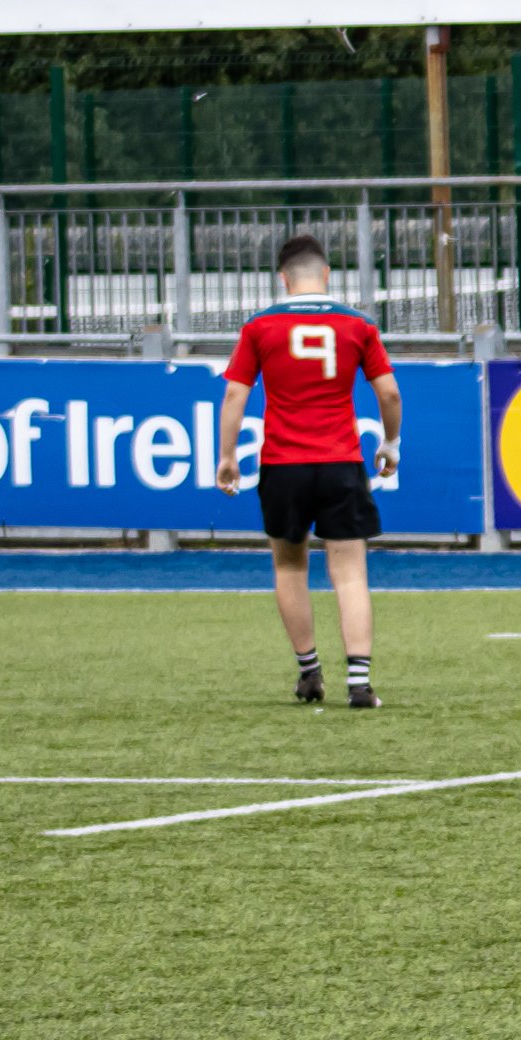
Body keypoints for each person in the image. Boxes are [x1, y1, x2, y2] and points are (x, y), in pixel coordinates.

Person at [215, 235, 402, 708]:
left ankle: (309, 674)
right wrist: (391, 442)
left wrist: (227, 455)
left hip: (284, 465)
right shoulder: (358, 325)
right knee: (350, 573)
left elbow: (235, 394)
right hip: (340, 461)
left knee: (289, 566)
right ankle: (359, 684)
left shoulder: (259, 326)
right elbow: (389, 393)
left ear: (283, 278)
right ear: (327, 274)